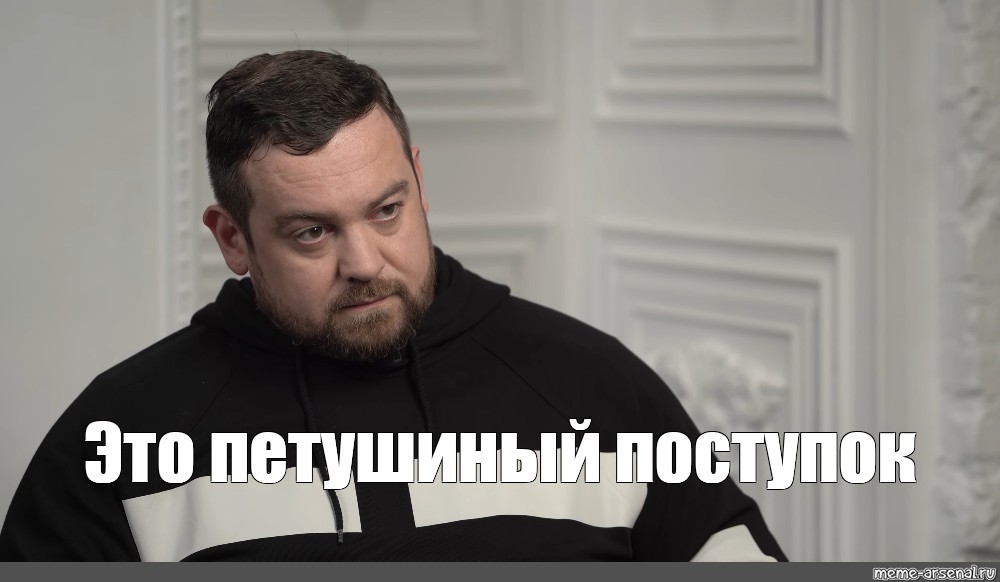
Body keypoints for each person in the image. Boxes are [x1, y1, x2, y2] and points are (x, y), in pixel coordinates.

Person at [0, 50, 786, 561]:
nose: (366, 264)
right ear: (233, 238)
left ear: (418, 180)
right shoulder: (123, 436)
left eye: (386, 210)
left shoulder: (592, 385)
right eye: (312, 233)